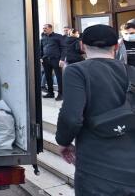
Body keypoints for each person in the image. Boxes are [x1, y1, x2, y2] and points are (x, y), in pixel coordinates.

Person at [56, 24, 135, 195]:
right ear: (116, 46)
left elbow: (72, 117)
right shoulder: (132, 73)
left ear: (82, 46)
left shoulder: (76, 71)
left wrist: (63, 142)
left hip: (96, 169)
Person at [40, 24, 65, 100]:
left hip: (56, 59)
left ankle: (61, 94)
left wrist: (62, 59)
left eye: (45, 28)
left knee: (59, 77)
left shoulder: (58, 36)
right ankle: (50, 93)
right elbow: (41, 48)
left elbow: (63, 48)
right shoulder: (43, 37)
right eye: (43, 28)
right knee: (48, 77)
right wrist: (40, 57)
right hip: (46, 60)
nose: (44, 29)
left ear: (50, 28)